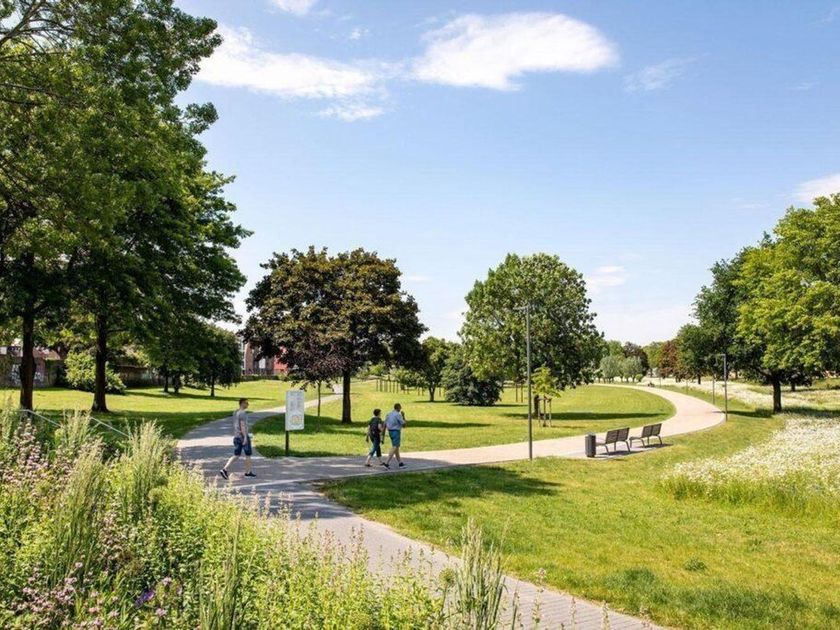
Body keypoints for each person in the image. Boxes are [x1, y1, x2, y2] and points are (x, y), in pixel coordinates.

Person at [220, 398, 256, 479]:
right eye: (246, 403)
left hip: (236, 436)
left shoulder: (235, 412)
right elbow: (242, 425)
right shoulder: (242, 413)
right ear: (242, 403)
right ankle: (248, 472)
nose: (248, 404)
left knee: (236, 455)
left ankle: (224, 469)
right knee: (248, 454)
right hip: (243, 436)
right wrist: (245, 437)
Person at [382, 403, 406, 469]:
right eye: (400, 407)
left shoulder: (388, 414)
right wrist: (403, 416)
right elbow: (404, 424)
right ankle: (386, 463)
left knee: (396, 448)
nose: (400, 409)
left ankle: (400, 463)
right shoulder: (398, 415)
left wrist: (382, 436)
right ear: (398, 407)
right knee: (394, 447)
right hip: (396, 432)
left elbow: (384, 424)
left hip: (390, 432)